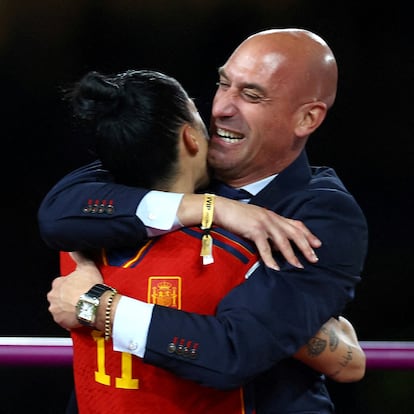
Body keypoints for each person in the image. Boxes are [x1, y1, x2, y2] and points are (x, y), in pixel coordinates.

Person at [40, 28, 368, 412]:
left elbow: (233, 351)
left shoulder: (323, 214)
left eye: (251, 95)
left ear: (306, 118)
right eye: (223, 83)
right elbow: (58, 210)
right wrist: (208, 207)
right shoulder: (182, 159)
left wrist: (97, 307)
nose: (221, 109)